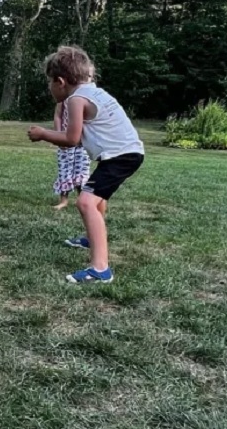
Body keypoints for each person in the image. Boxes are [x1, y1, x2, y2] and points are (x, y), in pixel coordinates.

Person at [28, 46, 144, 284]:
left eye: (50, 82)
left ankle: (100, 269)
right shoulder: (94, 92)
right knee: (96, 198)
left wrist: (42, 134)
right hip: (126, 153)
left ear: (61, 81)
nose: (50, 87)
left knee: (85, 201)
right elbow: (80, 137)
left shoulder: (75, 99)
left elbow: (71, 140)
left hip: (120, 156)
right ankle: (93, 237)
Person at [51, 96, 90, 210]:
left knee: (82, 171)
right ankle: (63, 201)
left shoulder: (86, 98)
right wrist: (58, 136)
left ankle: (82, 200)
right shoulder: (63, 98)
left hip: (82, 143)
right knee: (64, 170)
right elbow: (58, 116)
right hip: (65, 141)